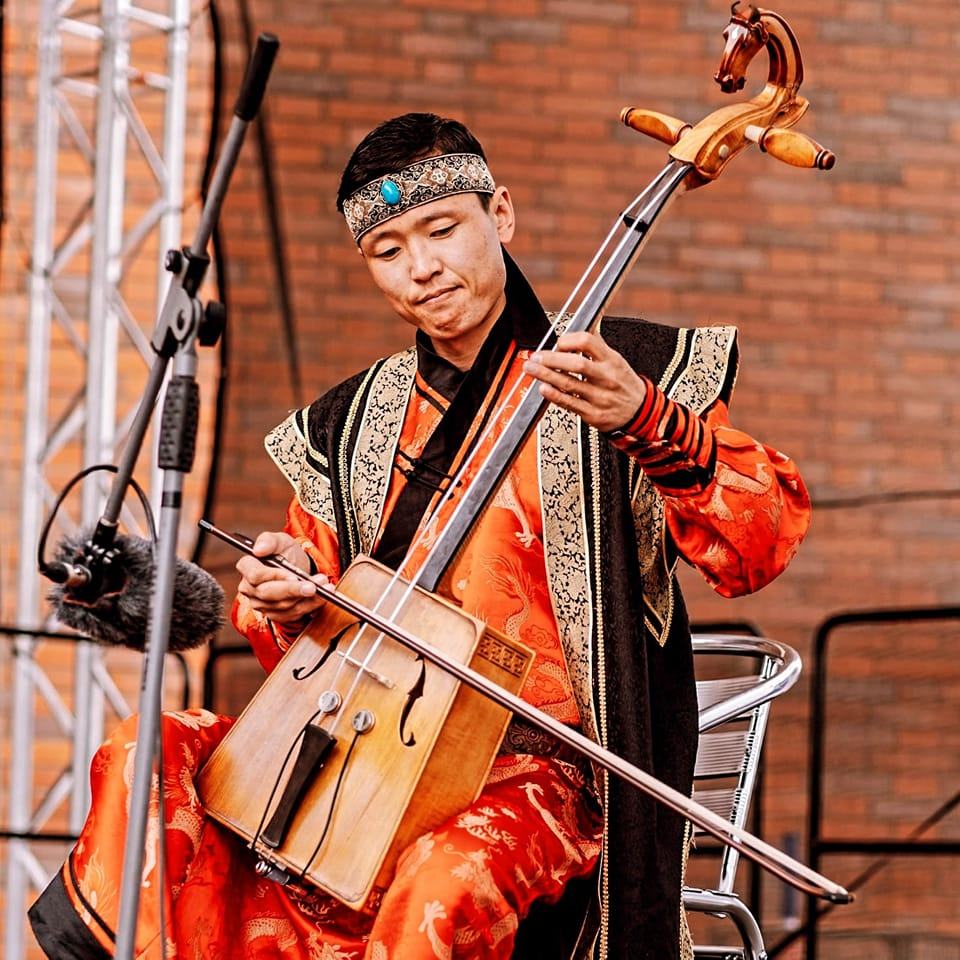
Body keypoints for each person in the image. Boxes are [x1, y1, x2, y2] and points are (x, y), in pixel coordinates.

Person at [30, 113, 810, 960]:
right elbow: (302, 642)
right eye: (388, 250)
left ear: (500, 214)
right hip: (366, 757)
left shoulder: (624, 371)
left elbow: (760, 544)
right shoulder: (348, 423)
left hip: (543, 778)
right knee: (144, 751)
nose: (422, 267)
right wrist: (288, 591)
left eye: (443, 231)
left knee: (441, 881)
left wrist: (648, 419)